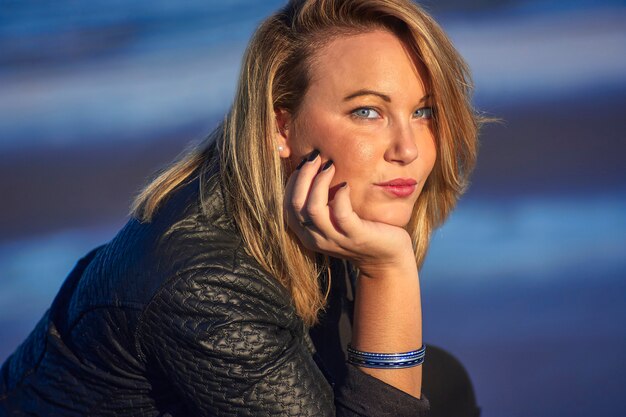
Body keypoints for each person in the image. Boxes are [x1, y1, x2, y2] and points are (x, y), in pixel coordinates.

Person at [0, 0, 483, 415]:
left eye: (423, 111)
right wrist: (388, 269)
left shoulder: (312, 201)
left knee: (446, 385)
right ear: (280, 128)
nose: (408, 148)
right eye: (367, 112)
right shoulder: (205, 285)